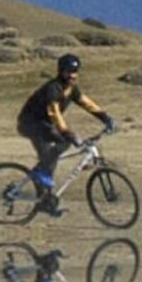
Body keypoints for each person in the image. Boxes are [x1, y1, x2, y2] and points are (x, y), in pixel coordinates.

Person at [15, 53, 112, 216]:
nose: (73, 75)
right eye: (69, 72)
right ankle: (41, 180)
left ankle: (46, 201)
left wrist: (106, 118)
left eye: (75, 72)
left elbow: (87, 104)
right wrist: (67, 133)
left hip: (44, 125)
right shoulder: (54, 88)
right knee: (61, 144)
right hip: (30, 124)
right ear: (61, 71)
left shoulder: (71, 89)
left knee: (51, 162)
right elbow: (54, 113)